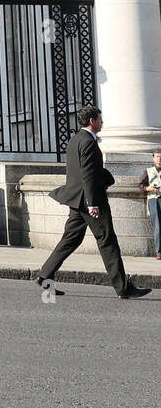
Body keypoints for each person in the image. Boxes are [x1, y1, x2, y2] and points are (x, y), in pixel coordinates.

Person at [35, 105, 150, 300]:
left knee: (70, 240)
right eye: (100, 118)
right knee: (107, 241)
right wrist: (92, 203)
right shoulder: (88, 142)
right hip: (90, 200)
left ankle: (45, 275)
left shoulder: (75, 140)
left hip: (76, 199)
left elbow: (82, 171)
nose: (102, 122)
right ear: (92, 121)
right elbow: (87, 174)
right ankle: (123, 288)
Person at [138, 150, 161, 260]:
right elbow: (141, 184)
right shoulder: (148, 171)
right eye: (157, 156)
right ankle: (159, 252)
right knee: (157, 226)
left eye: (160, 157)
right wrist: (148, 188)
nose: (159, 159)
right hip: (154, 199)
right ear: (153, 158)